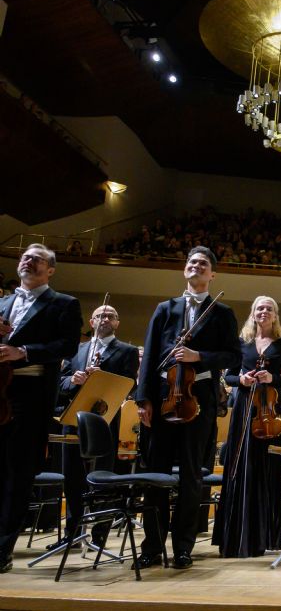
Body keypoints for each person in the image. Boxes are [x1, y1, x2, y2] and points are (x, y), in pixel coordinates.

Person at [134, 246, 241, 570]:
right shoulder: (165, 309)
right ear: (185, 270)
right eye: (192, 262)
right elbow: (151, 355)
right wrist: (143, 399)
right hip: (164, 398)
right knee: (156, 475)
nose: (196, 266)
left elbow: (233, 356)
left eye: (203, 264)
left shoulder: (222, 312)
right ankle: (152, 545)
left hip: (199, 401)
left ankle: (183, 546)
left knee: (192, 476)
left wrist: (199, 357)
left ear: (212, 274)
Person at [0, 244, 82, 574]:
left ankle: (3, 547)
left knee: (17, 474)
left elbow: (67, 346)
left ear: (51, 270)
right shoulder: (3, 302)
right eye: (25, 257)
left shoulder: (63, 303)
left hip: (28, 395)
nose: (29, 261)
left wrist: (23, 351)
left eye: (38, 259)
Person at [214, 296, 281, 557]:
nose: (264, 312)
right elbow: (227, 375)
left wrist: (274, 377)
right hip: (244, 408)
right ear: (253, 313)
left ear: (275, 314)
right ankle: (237, 535)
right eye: (259, 308)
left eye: (269, 308)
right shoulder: (242, 343)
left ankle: (265, 536)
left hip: (272, 409)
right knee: (242, 465)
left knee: (268, 466)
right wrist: (242, 379)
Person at [54, 303, 138, 551]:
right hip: (73, 419)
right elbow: (60, 383)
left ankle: (100, 534)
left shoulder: (127, 350)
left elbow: (130, 384)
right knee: (73, 478)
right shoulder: (76, 350)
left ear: (117, 323)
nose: (105, 318)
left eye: (111, 316)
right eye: (100, 315)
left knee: (103, 478)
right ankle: (72, 534)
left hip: (106, 420)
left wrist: (102, 379)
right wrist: (73, 379)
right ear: (91, 322)